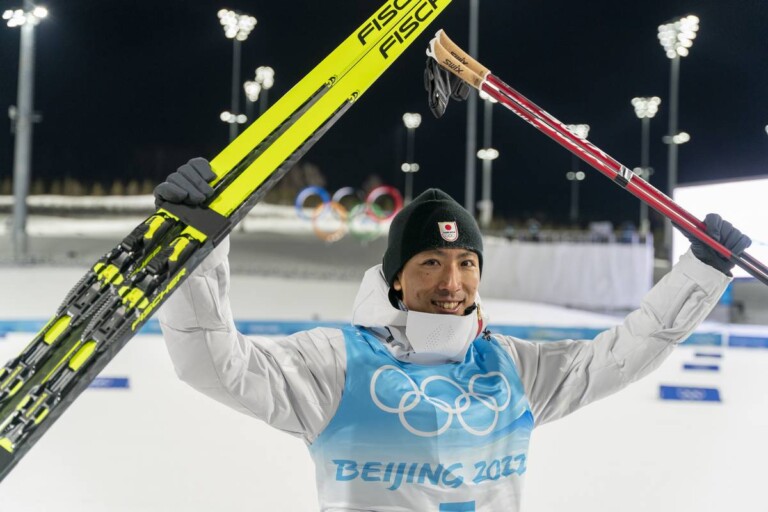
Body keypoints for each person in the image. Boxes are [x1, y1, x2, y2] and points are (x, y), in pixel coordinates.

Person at [157, 158, 749, 511]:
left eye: (466, 262)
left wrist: (701, 270)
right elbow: (214, 363)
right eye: (430, 262)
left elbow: (619, 356)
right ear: (395, 280)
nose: (452, 281)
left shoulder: (510, 367)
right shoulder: (336, 364)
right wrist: (196, 246)